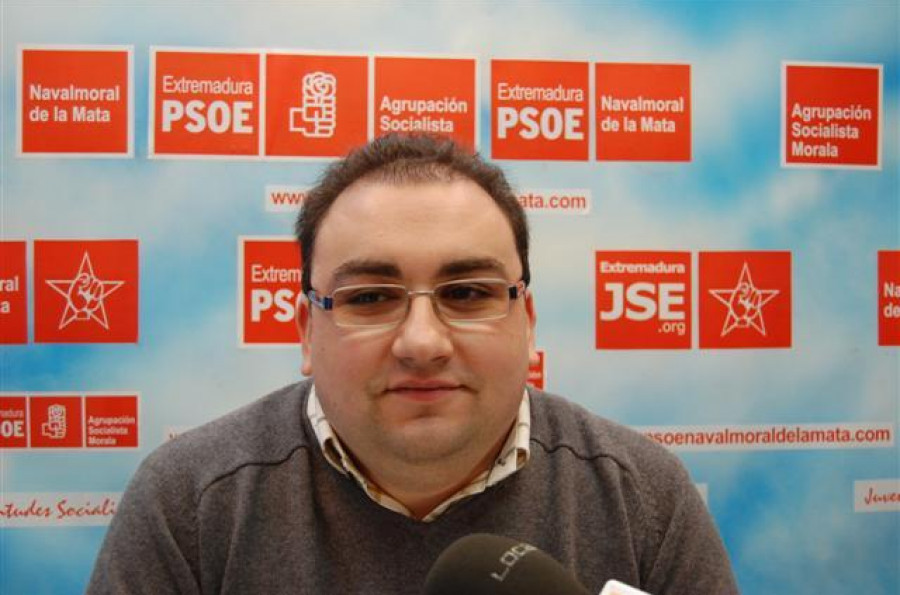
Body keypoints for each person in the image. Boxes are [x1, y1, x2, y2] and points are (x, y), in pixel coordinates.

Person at [88, 134, 739, 594]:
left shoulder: (640, 497)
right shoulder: (190, 504)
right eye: (370, 298)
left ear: (528, 322)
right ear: (307, 331)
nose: (422, 342)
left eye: (468, 293)